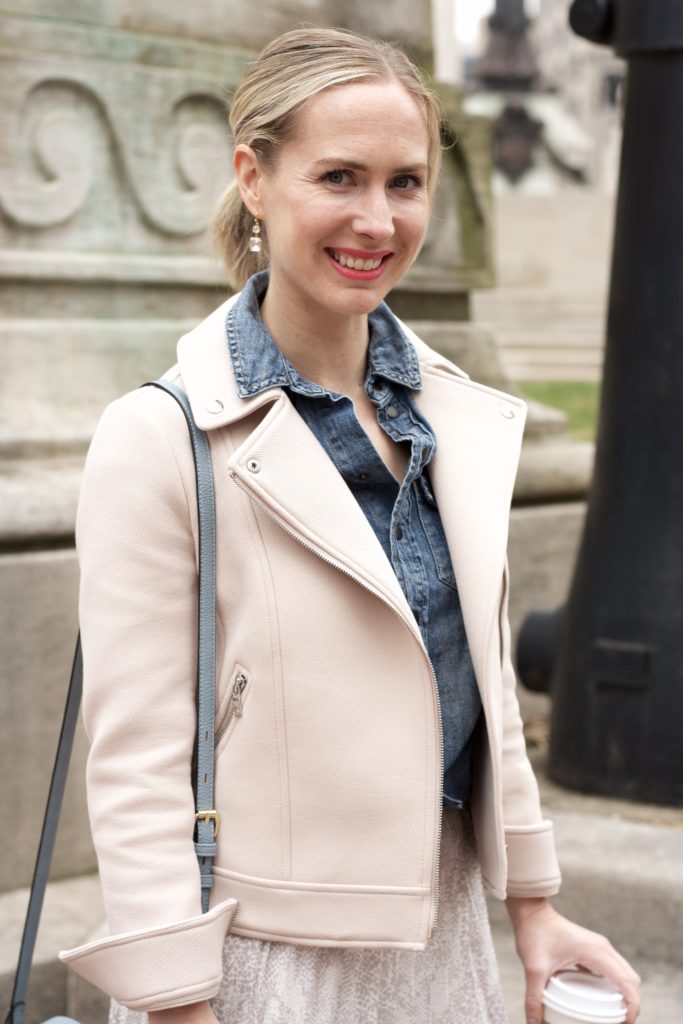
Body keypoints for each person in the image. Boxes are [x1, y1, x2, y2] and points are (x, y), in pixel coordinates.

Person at [59, 27, 641, 1024]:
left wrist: (533, 906)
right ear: (254, 176)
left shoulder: (453, 416)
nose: (376, 219)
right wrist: (175, 1001)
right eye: (339, 176)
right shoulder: (158, 437)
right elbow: (137, 762)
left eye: (404, 182)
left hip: (441, 942)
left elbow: (480, 687)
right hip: (256, 962)